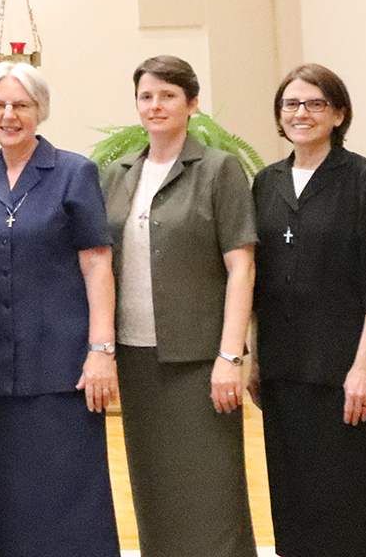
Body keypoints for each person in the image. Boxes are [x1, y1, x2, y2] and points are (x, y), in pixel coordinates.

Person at [248, 63, 366, 557]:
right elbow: (260, 283)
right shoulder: (265, 182)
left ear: (339, 114)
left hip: (346, 366)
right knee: (298, 493)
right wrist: (257, 360)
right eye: (291, 104)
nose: (302, 113)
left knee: (357, 494)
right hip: (285, 368)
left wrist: (364, 370)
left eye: (316, 103)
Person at [0, 63, 121, 557]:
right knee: (7, 497)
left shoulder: (74, 172)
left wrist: (101, 350)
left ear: (39, 110)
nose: (9, 115)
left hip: (62, 365)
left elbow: (97, 265)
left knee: (71, 494)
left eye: (21, 105)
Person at [100, 57, 257, 557]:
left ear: (192, 104)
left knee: (213, 490)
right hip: (137, 356)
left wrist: (230, 357)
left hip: (200, 359)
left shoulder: (218, 169)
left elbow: (242, 266)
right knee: (155, 487)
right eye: (146, 96)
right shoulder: (118, 175)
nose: (155, 105)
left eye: (168, 95)